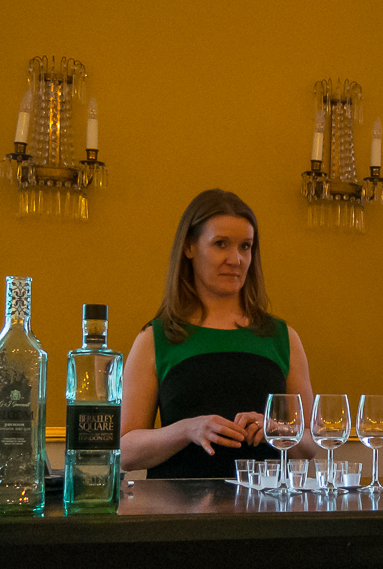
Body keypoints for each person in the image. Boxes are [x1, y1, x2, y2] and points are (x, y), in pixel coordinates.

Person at [120, 189, 318, 478]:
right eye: (220, 244)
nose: (235, 259)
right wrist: (187, 430)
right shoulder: (156, 339)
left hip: (268, 503)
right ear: (189, 247)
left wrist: (275, 429)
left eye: (245, 247)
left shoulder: (282, 337)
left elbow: (310, 445)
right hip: (179, 505)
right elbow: (125, 452)